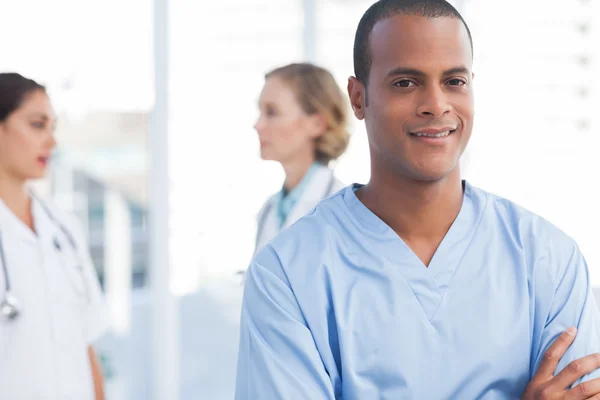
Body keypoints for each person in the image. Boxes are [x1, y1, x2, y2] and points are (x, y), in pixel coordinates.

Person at [235, 1, 600, 399]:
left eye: (454, 82)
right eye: (405, 83)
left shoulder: (548, 259)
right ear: (358, 98)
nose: (436, 104)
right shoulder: (286, 273)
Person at [0, 73, 108, 399]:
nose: (52, 141)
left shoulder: (64, 227)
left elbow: (86, 344)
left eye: (53, 127)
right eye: (37, 124)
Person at [252, 63, 350, 253]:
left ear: (316, 124)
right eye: (260, 111)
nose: (258, 125)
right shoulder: (268, 211)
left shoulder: (345, 213)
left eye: (271, 112)